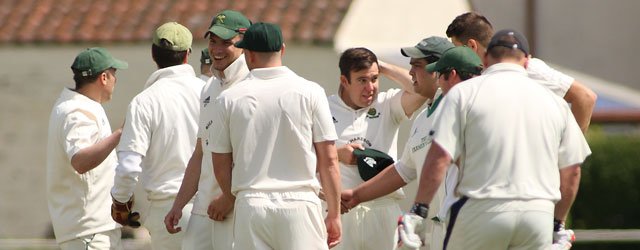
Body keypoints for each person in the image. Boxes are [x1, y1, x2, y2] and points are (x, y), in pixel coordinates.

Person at [408, 29, 590, 250]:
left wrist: (419, 211)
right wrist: (557, 224)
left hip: (480, 210)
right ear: (526, 62)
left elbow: (439, 158)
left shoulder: (463, 93)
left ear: (486, 59)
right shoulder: (556, 102)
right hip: (537, 215)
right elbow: (572, 171)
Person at [206, 22, 342, 249]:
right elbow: (329, 161)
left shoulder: (228, 99)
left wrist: (232, 196)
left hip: (252, 205)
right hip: (300, 203)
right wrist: (335, 214)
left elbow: (220, 166)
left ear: (248, 55)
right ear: (283, 49)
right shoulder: (311, 91)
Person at [342, 45, 482, 250]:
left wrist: (381, 66)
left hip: (468, 222)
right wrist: (356, 195)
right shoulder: (422, 119)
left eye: (417, 66)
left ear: (441, 73)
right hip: (437, 227)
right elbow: (403, 170)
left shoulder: (463, 107)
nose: (410, 72)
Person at [110, 22, 204, 250]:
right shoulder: (208, 91)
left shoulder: (144, 101)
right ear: (187, 55)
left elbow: (130, 166)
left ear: (154, 54)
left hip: (167, 211)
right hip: (210, 207)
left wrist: (120, 203)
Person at [164, 9, 251, 250]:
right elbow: (201, 151)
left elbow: (254, 156)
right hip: (204, 208)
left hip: (237, 209)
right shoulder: (210, 87)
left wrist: (229, 197)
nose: (217, 49)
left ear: (245, 45)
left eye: (227, 42)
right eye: (213, 42)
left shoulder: (252, 86)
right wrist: (179, 204)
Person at [329, 46, 428, 250]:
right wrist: (337, 153)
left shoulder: (386, 104)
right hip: (340, 212)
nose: (370, 87)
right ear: (344, 81)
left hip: (382, 211)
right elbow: (304, 155)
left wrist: (382, 66)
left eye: (374, 79)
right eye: (362, 80)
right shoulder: (322, 107)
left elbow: (421, 90)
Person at [445, 12, 597, 133]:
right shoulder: (478, 78)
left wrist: (568, 156)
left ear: (472, 45)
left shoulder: (528, 67)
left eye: (458, 49)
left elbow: (585, 97)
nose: (457, 57)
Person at [46, 47, 127, 249]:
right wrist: (120, 134)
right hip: (88, 231)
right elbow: (80, 161)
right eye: (114, 74)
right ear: (104, 77)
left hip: (89, 228)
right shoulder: (77, 111)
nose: (116, 80)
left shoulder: (79, 106)